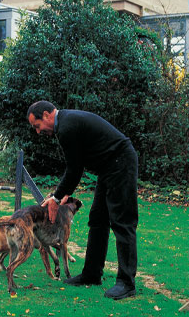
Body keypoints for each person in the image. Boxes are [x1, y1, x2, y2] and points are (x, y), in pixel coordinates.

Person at [27, 100, 138, 300]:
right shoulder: (66, 123)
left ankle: (127, 282)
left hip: (120, 163)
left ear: (46, 115)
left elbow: (74, 170)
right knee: (97, 220)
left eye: (37, 126)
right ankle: (92, 274)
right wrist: (63, 192)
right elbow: (76, 167)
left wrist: (56, 197)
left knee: (122, 222)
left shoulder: (66, 127)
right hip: (108, 167)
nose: (38, 132)